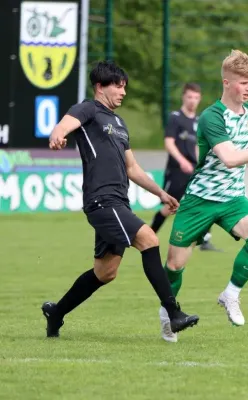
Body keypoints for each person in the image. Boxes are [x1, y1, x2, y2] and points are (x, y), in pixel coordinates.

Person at [41, 60, 200, 338]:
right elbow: (62, 127)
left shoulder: (119, 123)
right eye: (117, 86)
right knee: (150, 239)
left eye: (124, 86)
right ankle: (173, 313)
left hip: (118, 201)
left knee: (105, 272)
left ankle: (57, 313)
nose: (122, 92)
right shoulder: (87, 109)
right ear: (100, 87)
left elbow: (132, 168)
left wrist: (161, 193)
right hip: (101, 200)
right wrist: (58, 136)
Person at [157, 49, 248, 342]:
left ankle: (231, 294)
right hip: (200, 200)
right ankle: (167, 312)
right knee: (174, 265)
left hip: (233, 197)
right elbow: (230, 158)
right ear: (226, 82)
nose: (247, 88)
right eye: (242, 82)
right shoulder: (211, 117)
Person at [150, 83, 220, 251]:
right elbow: (169, 143)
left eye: (196, 98)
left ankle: (205, 241)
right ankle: (149, 235)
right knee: (170, 207)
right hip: (177, 171)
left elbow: (197, 146)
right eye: (189, 97)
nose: (193, 101)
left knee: (205, 201)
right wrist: (182, 161)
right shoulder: (175, 117)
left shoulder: (198, 121)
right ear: (183, 97)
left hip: (194, 171)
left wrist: (202, 165)